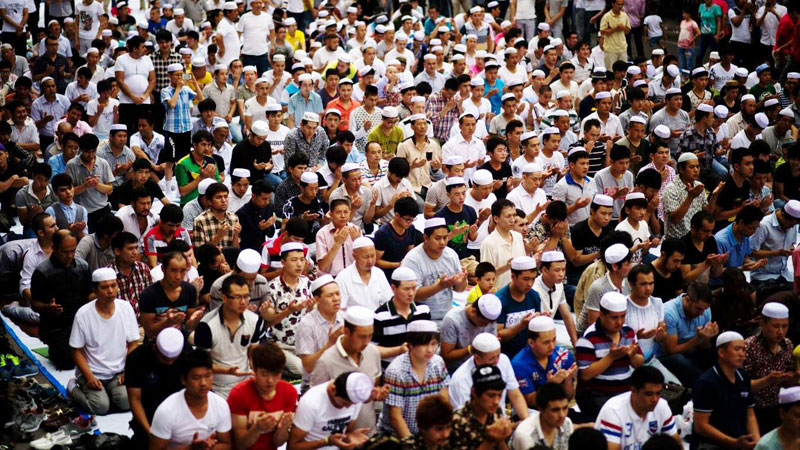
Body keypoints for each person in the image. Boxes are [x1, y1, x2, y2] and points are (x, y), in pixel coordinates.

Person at [68, 267, 139, 415]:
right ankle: (72, 387)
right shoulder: (83, 315)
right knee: (100, 407)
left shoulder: (125, 308)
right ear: (95, 290)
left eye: (113, 286)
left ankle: (110, 393)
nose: (111, 291)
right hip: (92, 372)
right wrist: (89, 377)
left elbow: (133, 344)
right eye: (105, 287)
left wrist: (128, 370)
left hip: (117, 372)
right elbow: (77, 351)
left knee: (126, 401)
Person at [310, 305, 387, 430]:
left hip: (368, 434)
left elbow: (374, 386)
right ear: (346, 331)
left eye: (370, 336)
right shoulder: (326, 361)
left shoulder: (373, 352)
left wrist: (376, 394)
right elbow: (316, 402)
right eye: (362, 336)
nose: (366, 342)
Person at [192, 274, 268, 398]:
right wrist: (228, 371)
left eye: (246, 296)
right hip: (217, 388)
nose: (243, 302)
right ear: (224, 298)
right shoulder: (207, 325)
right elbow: (202, 364)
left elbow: (252, 353)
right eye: (237, 297)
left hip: (245, 382)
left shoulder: (254, 320)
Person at [576, 292, 644, 419]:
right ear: (602, 315)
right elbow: (585, 374)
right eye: (614, 318)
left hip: (624, 393)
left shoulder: (628, 332)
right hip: (597, 395)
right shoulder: (589, 338)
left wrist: (632, 356)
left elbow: (639, 363)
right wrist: (611, 357)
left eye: (623, 317)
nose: (619, 322)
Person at [30, 230, 92, 370]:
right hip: (57, 326)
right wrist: (48, 307)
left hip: (82, 322)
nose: (70, 256)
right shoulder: (42, 272)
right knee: (67, 362)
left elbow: (89, 294)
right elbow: (34, 304)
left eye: (73, 251)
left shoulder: (83, 266)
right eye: (65, 252)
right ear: (54, 248)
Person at [149, 349, 233, 450]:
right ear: (183, 380)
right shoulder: (166, 411)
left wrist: (208, 448)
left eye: (208, 376)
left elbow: (227, 445)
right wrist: (190, 448)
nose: (203, 383)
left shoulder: (221, 405)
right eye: (196, 377)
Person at [378, 320, 449, 437]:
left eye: (434, 344)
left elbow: (443, 400)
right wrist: (412, 444)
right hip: (396, 436)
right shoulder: (397, 372)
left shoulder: (438, 363)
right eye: (424, 344)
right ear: (410, 345)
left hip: (429, 434)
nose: (430, 350)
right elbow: (395, 417)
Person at [693, 331, 761, 450]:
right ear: (721, 352)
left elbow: (750, 414)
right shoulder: (706, 382)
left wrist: (758, 443)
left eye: (744, 350)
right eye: (737, 349)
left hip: (740, 441)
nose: (742, 354)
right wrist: (733, 442)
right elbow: (701, 425)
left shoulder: (743, 377)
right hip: (711, 445)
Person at [227, 341, 296, 450]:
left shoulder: (289, 392)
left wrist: (283, 428)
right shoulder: (238, 394)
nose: (270, 380)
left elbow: (278, 442)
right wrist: (257, 429)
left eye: (276, 374)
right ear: (254, 370)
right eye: (264, 374)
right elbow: (240, 444)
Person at [125, 327, 187, 449]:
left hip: (181, 417)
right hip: (149, 417)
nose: (169, 363)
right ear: (154, 348)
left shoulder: (187, 355)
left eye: (173, 360)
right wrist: (151, 433)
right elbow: (135, 400)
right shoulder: (136, 358)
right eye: (165, 359)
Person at [595, 366, 681, 450]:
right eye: (648, 394)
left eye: (658, 393)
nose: (655, 400)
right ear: (633, 391)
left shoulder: (662, 406)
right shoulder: (613, 411)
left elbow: (676, 444)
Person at [449, 332, 529, 420]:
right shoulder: (461, 379)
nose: (497, 361)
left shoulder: (503, 360)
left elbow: (515, 395)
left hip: (502, 421)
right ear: (477, 358)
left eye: (498, 355)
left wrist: (526, 422)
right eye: (492, 358)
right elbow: (470, 417)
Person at [401, 218, 468, 323]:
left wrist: (461, 281)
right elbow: (413, 294)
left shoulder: (451, 255)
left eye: (445, 238)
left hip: (447, 315)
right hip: (421, 318)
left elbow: (459, 289)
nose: (442, 242)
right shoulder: (413, 259)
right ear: (426, 238)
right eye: (437, 238)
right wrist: (440, 286)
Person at [287, 371, 372, 450]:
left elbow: (347, 431)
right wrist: (326, 442)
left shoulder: (355, 399)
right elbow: (293, 446)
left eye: (351, 404)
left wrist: (349, 436)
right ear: (333, 389)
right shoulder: (311, 402)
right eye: (344, 403)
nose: (347, 407)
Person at [264, 242, 312, 379]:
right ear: (283, 262)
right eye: (294, 260)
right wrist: (288, 311)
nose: (299, 264)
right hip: (280, 345)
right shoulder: (272, 288)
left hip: (304, 344)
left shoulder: (307, 283)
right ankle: (276, 366)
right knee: (302, 370)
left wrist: (311, 309)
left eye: (302, 260)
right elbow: (267, 323)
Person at [745, 303, 795, 433]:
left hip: (778, 408)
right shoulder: (748, 347)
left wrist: (793, 378)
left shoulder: (787, 345)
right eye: (776, 326)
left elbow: (787, 381)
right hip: (752, 410)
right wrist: (768, 380)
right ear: (762, 323)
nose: (781, 332)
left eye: (785, 327)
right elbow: (741, 386)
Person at [658, 282, 718, 387]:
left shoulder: (705, 309)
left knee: (719, 354)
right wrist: (698, 339)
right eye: (698, 308)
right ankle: (707, 387)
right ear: (687, 300)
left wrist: (708, 337)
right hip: (667, 357)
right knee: (680, 360)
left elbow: (704, 347)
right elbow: (671, 350)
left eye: (705, 309)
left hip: (692, 351)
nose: (702, 313)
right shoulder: (669, 312)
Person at [511, 315, 577, 408]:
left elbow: (568, 397)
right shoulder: (519, 365)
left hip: (558, 408)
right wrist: (550, 385)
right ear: (531, 343)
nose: (552, 346)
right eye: (546, 342)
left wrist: (568, 380)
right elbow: (531, 402)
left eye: (554, 340)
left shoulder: (563, 355)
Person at [294, 273, 345, 391]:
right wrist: (330, 344)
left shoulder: (344, 319)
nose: (336, 299)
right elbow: (308, 367)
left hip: (341, 381)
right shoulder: (307, 324)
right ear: (317, 300)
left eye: (338, 294)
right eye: (330, 295)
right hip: (314, 386)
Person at [138, 251, 203, 340]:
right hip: (154, 342)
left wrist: (193, 321)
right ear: (163, 269)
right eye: (173, 270)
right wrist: (167, 323)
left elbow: (189, 326)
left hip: (179, 338)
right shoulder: (149, 294)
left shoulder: (190, 290)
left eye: (182, 271)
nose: (178, 276)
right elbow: (149, 330)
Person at [448, 364, 514, 450]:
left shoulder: (495, 412)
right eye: (491, 396)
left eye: (500, 395)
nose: (496, 402)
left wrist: (500, 438)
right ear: (474, 392)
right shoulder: (457, 421)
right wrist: (489, 441)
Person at [576, 243, 632, 335]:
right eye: (628, 264)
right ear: (615, 266)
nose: (631, 266)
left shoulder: (628, 283)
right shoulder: (598, 288)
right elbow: (593, 325)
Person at [662, 152, 721, 239]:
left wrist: (714, 195)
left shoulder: (698, 185)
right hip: (677, 240)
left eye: (698, 166)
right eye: (692, 167)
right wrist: (690, 197)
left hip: (696, 238)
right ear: (681, 169)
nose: (696, 170)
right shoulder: (671, 189)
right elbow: (675, 219)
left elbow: (707, 213)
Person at [65, 133, 115, 233]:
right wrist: (85, 186)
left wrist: (97, 185)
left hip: (102, 209)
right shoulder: (71, 165)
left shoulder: (103, 163)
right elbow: (69, 192)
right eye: (87, 152)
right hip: (82, 211)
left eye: (94, 151)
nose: (91, 155)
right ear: (81, 150)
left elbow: (110, 190)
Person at [440, 293, 502, 373]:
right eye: (483, 323)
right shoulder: (452, 320)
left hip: (480, 366)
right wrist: (471, 349)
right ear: (473, 311)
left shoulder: (489, 319)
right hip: (455, 368)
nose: (486, 326)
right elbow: (446, 355)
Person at [495, 255, 543, 358]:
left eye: (533, 279)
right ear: (513, 277)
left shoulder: (534, 296)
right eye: (525, 279)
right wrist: (521, 325)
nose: (530, 284)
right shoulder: (500, 300)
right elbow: (497, 335)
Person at [749, 200, 800, 288]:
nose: (792, 227)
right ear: (782, 215)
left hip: (784, 274)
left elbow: (791, 243)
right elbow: (751, 251)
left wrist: (791, 249)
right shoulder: (763, 225)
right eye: (791, 225)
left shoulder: (793, 224)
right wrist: (776, 253)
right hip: (763, 276)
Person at [533, 251, 579, 345]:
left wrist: (575, 342)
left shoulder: (559, 285)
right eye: (557, 270)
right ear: (544, 270)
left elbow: (566, 315)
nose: (562, 274)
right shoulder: (534, 290)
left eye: (563, 269)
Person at [108, 231, 153, 317]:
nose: (135, 252)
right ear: (117, 251)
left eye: (136, 248)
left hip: (144, 321)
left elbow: (151, 298)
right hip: (120, 322)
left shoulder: (143, 269)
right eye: (130, 249)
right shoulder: (109, 274)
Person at [192, 182, 241, 248]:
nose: (224, 200)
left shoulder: (234, 218)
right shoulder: (200, 221)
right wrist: (219, 236)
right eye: (219, 197)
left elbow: (236, 250)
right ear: (209, 201)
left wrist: (236, 234)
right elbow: (200, 253)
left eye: (226, 197)